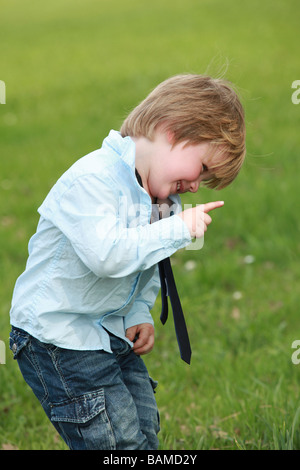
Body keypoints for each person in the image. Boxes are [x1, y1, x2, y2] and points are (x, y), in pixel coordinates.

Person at [9, 74, 246, 450]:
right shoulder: (93, 180)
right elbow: (109, 254)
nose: (196, 185)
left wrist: (138, 311)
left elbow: (147, 265)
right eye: (201, 168)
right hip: (58, 336)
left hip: (107, 332)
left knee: (143, 425)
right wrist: (176, 229)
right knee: (115, 441)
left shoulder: (159, 197)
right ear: (170, 131)